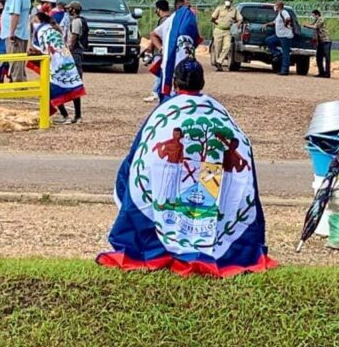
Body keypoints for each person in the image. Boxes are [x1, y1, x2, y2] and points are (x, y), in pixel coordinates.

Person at [97, 57, 277, 277]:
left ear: (175, 83)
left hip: (179, 170)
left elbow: (138, 154)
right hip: (209, 169)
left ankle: (167, 238)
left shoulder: (164, 113)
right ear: (202, 84)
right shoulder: (219, 113)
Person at [28, 12, 85, 124]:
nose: (33, 23)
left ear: (39, 20)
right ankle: (78, 116)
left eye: (34, 20)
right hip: (67, 58)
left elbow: (45, 50)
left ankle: (65, 116)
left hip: (56, 62)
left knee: (52, 89)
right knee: (73, 84)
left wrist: (34, 52)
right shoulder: (54, 29)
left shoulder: (41, 31)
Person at [149, 0, 202, 100]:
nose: (189, 9)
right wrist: (162, 49)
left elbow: (196, 39)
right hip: (170, 64)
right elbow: (154, 35)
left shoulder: (189, 22)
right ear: (179, 6)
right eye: (187, 6)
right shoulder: (170, 21)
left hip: (185, 67)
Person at [1, 0, 31, 82]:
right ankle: (20, 81)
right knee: (19, 60)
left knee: (15, 60)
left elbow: (15, 14)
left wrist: (11, 33)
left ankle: (18, 84)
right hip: (21, 32)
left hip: (16, 33)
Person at [142, 0, 171, 103]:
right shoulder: (169, 19)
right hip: (162, 51)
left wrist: (156, 48)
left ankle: (156, 93)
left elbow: (156, 35)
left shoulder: (164, 20)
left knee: (159, 73)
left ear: (159, 9)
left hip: (161, 52)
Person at [210, 0, 243, 71]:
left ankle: (219, 61)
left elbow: (240, 19)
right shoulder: (219, 8)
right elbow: (212, 18)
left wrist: (237, 24)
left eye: (229, 0)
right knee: (218, 47)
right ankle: (218, 64)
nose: (228, 1)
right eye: (227, 0)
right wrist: (218, 23)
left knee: (227, 47)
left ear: (232, 1)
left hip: (228, 31)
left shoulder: (234, 10)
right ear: (224, 0)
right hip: (218, 30)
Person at [264, 0, 294, 76]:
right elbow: (274, 22)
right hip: (279, 35)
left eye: (275, 5)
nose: (275, 7)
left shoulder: (284, 12)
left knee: (286, 53)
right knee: (268, 41)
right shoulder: (279, 14)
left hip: (285, 36)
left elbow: (288, 18)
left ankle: (284, 70)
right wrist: (267, 24)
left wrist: (285, 25)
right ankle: (277, 53)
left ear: (279, 6)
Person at [303, 9, 332, 78]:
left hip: (326, 40)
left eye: (313, 15)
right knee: (319, 57)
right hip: (320, 41)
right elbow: (312, 25)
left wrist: (306, 25)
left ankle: (327, 73)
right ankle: (321, 72)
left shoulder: (321, 19)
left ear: (317, 14)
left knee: (327, 57)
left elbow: (315, 26)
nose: (313, 17)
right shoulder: (316, 20)